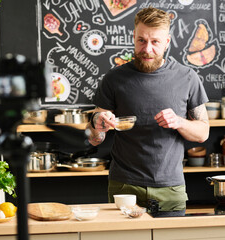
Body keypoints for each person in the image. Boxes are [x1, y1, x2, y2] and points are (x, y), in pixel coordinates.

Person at [86, 7, 209, 213]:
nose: (147, 49)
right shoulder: (114, 78)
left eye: (155, 42)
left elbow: (203, 133)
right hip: (124, 187)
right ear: (133, 37)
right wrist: (97, 123)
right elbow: (93, 139)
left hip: (170, 187)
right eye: (141, 40)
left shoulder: (187, 78)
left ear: (167, 42)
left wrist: (179, 122)